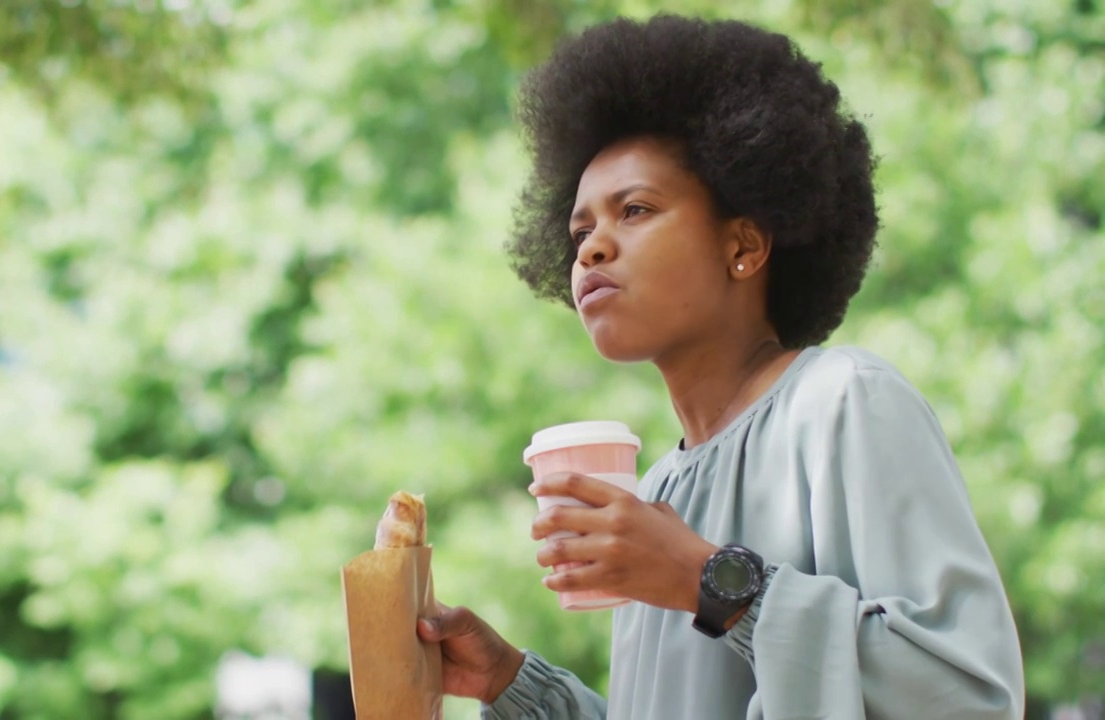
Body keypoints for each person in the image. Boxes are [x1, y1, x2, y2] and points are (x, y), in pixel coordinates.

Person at [415, 13, 1026, 719]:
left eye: (635, 210)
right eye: (580, 230)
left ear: (745, 245)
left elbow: (968, 696)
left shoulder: (845, 404)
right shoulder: (660, 487)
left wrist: (706, 581)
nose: (590, 249)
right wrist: (509, 680)